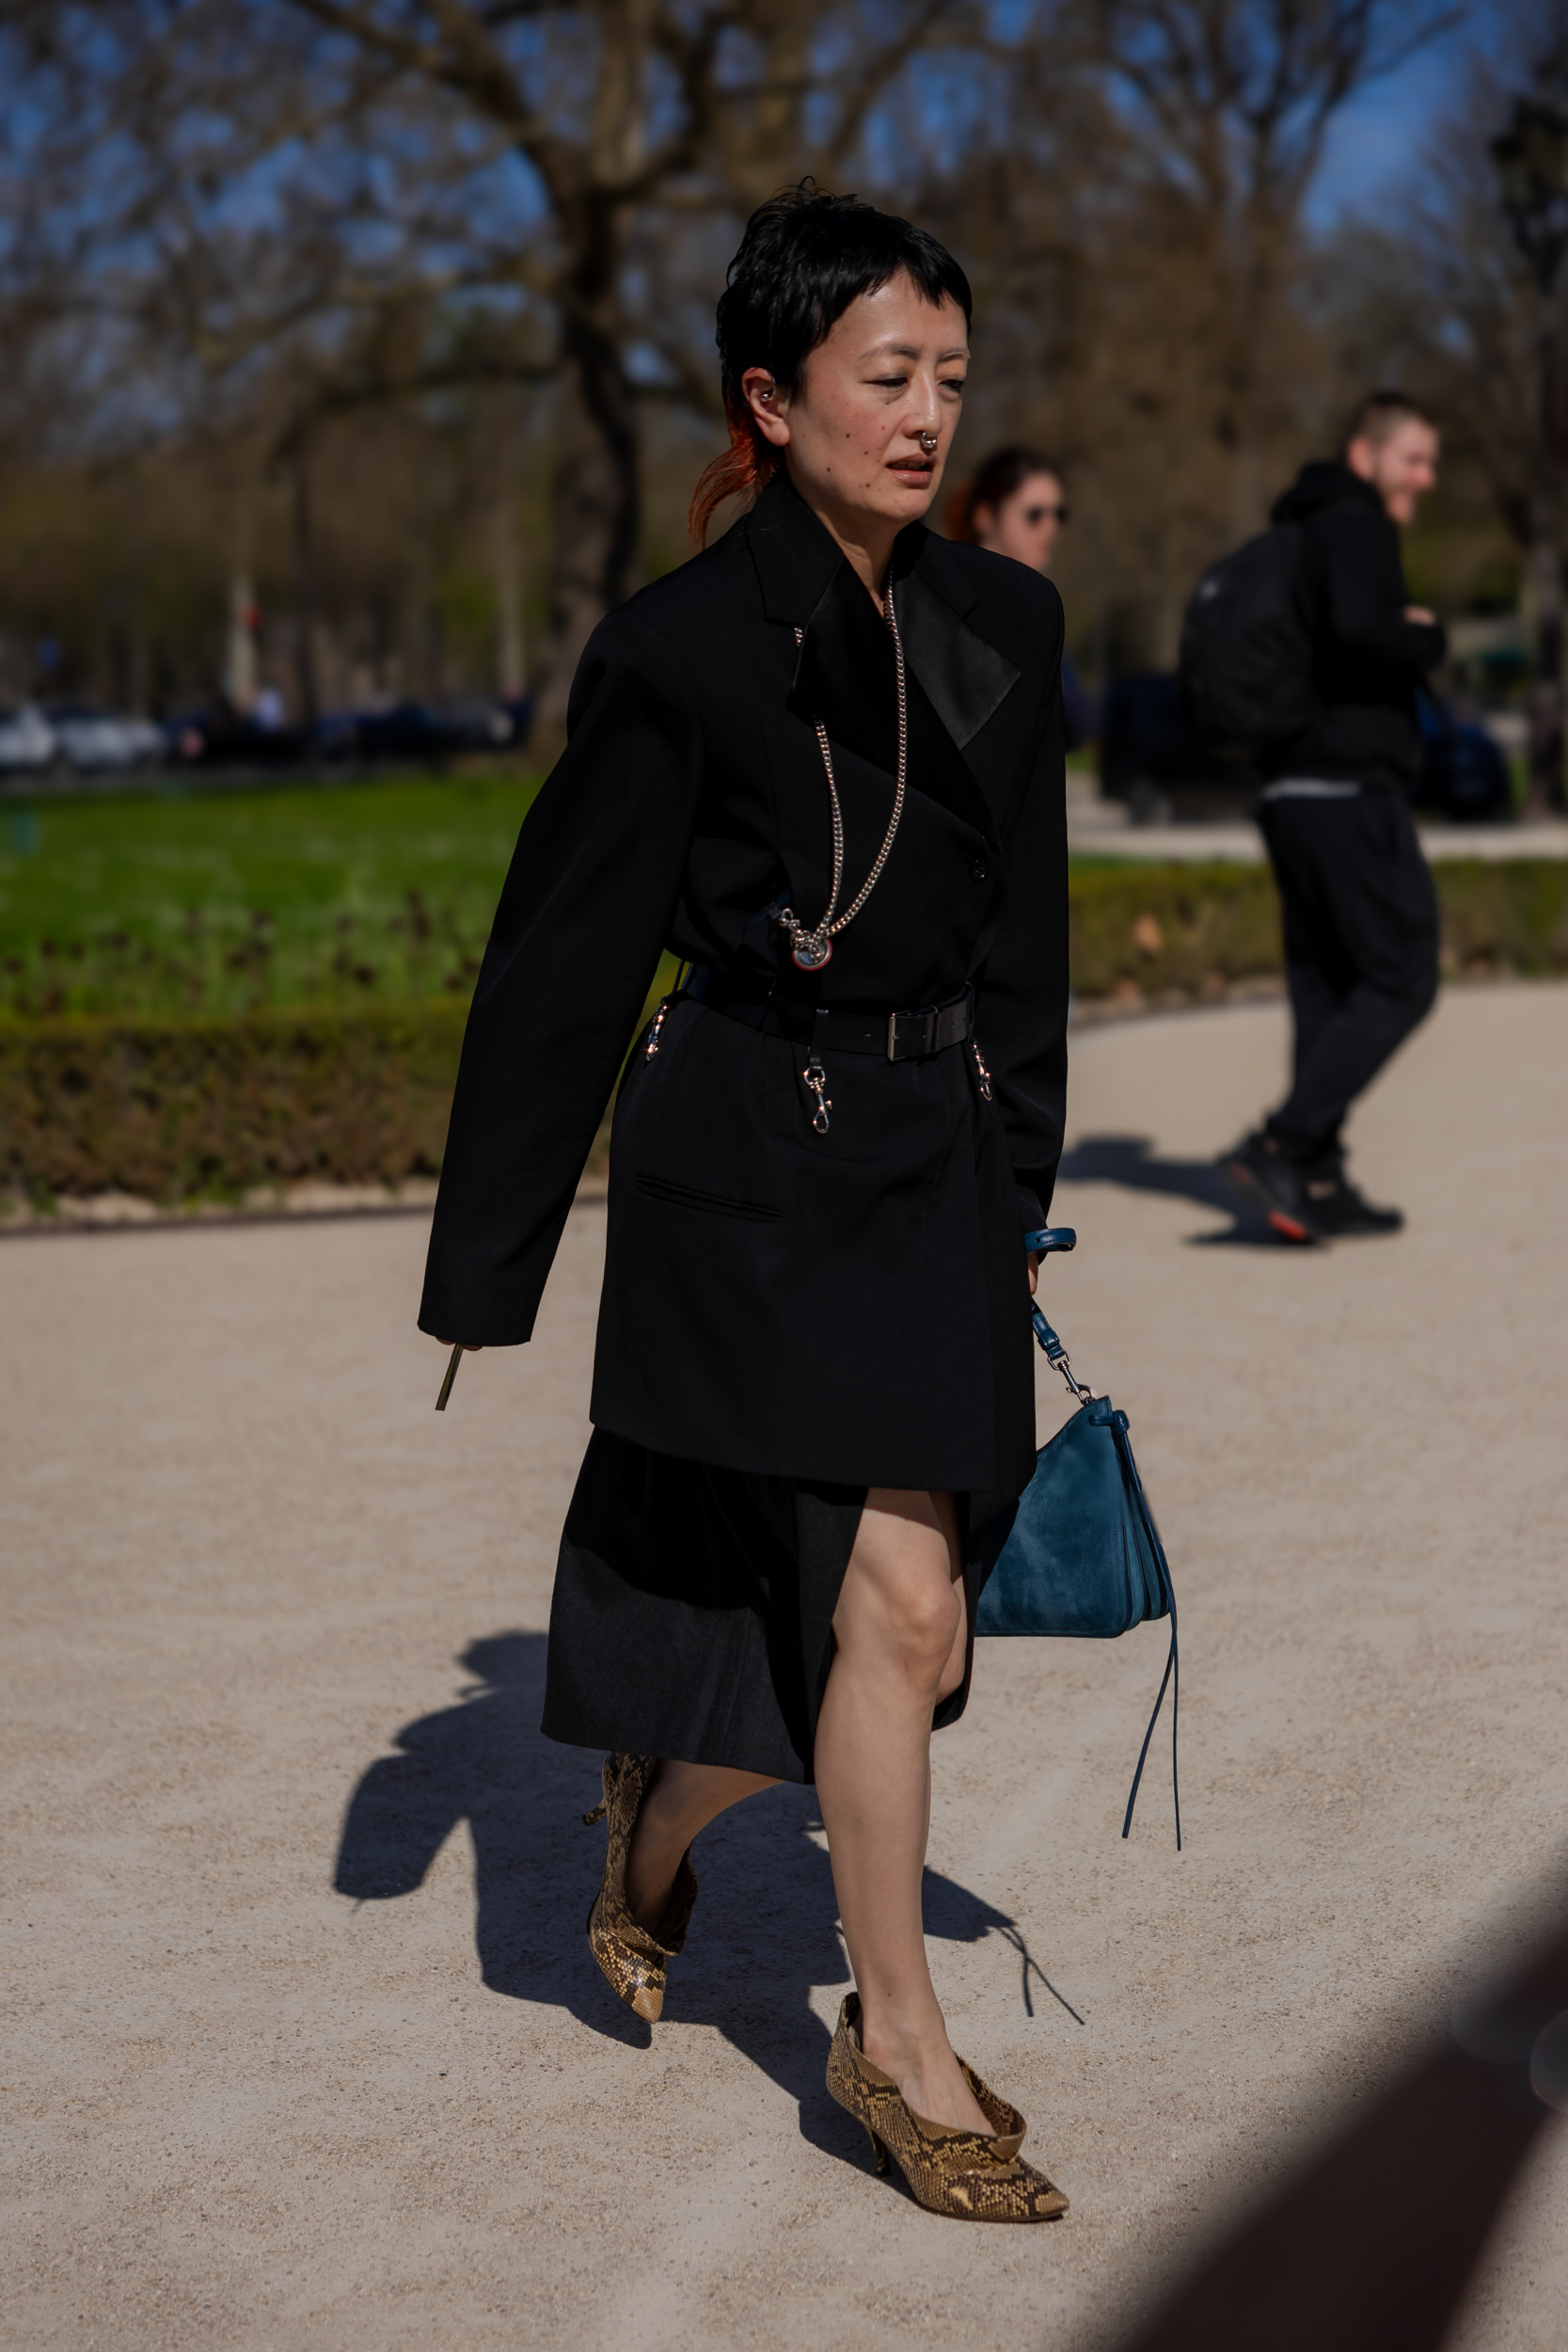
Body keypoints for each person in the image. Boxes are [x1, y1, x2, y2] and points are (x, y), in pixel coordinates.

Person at [420, 184, 1071, 2222]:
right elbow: (562, 957)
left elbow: (1022, 935)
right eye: (886, 377)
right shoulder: (679, 650)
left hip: (928, 1164)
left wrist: (1018, 1171)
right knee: (888, 1601)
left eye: (948, 380)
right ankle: (891, 2038)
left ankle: (652, 1822)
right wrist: (487, 1261)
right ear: (769, 398)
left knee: (921, 1629)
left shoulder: (1003, 624)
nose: (924, 416)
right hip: (756, 1171)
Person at [1220, 389, 1445, 1243]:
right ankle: (1284, 1142)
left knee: (1327, 989)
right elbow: (1360, 630)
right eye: (1413, 459)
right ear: (1366, 453)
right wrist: (1424, 634)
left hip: (1288, 791)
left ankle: (1312, 1180)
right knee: (1403, 971)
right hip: (1348, 786)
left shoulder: (1299, 529)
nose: (1422, 479)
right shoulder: (1356, 523)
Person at [951, 447, 1096, 746]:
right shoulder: (946, 606)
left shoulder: (1035, 611)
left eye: (1059, 514)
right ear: (986, 517)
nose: (1051, 527)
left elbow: (1077, 722)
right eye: (1034, 514)